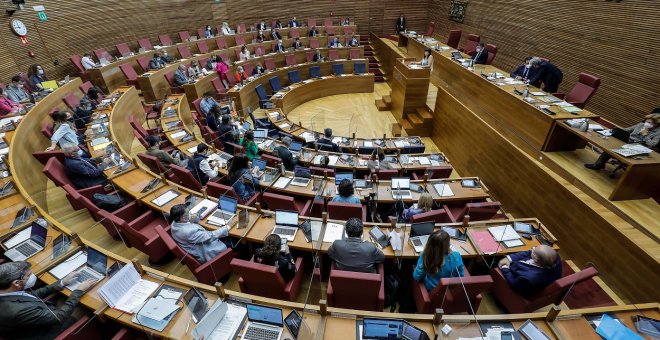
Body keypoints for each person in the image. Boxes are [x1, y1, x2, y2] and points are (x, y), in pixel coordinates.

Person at [0, 261, 97, 340]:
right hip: (48, 332)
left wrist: (62, 282)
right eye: (29, 275)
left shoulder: (5, 292)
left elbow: (31, 296)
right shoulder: (16, 311)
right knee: (88, 308)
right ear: (17, 283)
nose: (33, 276)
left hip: (39, 318)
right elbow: (59, 318)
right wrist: (78, 291)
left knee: (63, 298)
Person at [585, 112, 660, 170]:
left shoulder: (658, 132)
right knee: (610, 147)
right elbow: (627, 130)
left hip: (639, 147)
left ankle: (598, 165)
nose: (647, 124)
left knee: (614, 149)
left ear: (656, 124)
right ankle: (599, 164)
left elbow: (652, 144)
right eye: (647, 121)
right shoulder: (641, 124)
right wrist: (615, 130)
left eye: (650, 123)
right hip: (628, 141)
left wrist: (645, 135)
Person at [497, 245, 562, 296]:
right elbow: (529, 253)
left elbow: (514, 283)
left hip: (519, 285)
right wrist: (509, 258)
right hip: (524, 271)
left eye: (533, 250)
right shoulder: (554, 258)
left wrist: (504, 268)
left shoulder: (528, 279)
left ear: (536, 259)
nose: (532, 249)